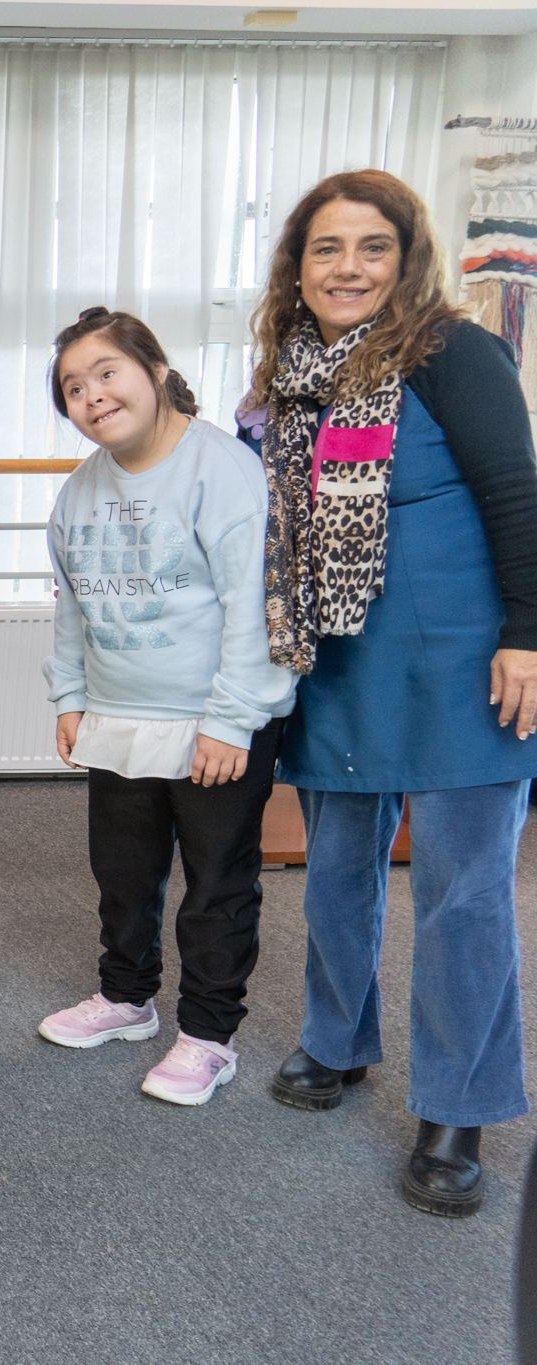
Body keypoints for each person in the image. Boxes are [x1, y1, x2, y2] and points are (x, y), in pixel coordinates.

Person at [240, 169, 537, 1216]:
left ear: (405, 260)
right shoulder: (283, 372)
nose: (347, 267)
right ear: (297, 264)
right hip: (337, 661)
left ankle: (456, 1107)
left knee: (461, 895)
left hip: (460, 661)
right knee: (333, 873)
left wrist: (526, 638)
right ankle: (334, 1040)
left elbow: (514, 491)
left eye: (371, 247)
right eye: (326, 248)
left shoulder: (455, 353)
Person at [36, 308, 297, 1105]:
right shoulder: (80, 489)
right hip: (119, 715)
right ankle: (126, 998)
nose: (91, 395)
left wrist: (230, 719)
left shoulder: (223, 468)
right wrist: (72, 697)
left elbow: (252, 603)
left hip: (212, 715)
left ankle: (209, 1036)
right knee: (124, 872)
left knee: (216, 880)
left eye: (105, 372)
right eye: (73, 388)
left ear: (153, 369)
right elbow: (72, 606)